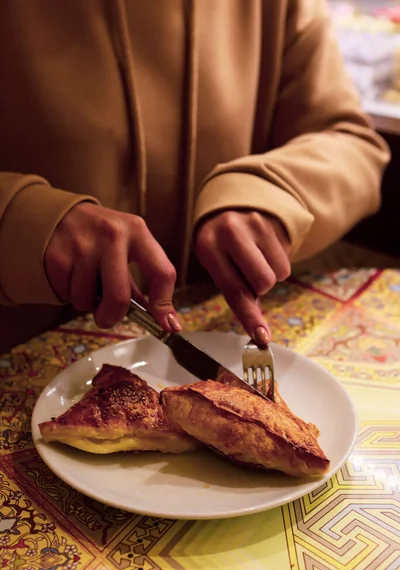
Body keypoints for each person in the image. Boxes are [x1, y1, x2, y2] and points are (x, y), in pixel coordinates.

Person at [0, 0, 389, 352]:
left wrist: (275, 191)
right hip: (23, 363)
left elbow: (349, 141)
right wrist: (22, 223)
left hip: (229, 343)